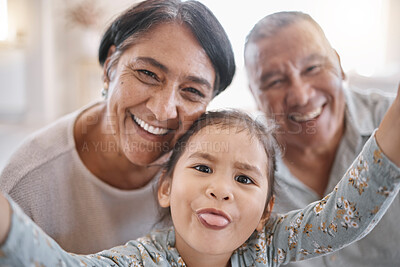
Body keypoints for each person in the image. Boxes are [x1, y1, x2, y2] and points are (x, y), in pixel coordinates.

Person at [1, 103, 400, 266]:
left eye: (244, 178)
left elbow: (346, 215)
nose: (221, 190)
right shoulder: (141, 261)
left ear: (265, 211)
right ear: (165, 188)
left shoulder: (267, 245)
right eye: (203, 169)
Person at [0, 0, 235, 254]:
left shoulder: (215, 179)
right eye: (148, 73)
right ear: (110, 66)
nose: (162, 110)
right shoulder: (26, 186)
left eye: (192, 91)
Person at [244, 11, 398, 267]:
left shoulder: (392, 122)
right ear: (254, 94)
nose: (301, 96)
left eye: (313, 68)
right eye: (275, 81)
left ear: (338, 64)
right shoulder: (240, 165)